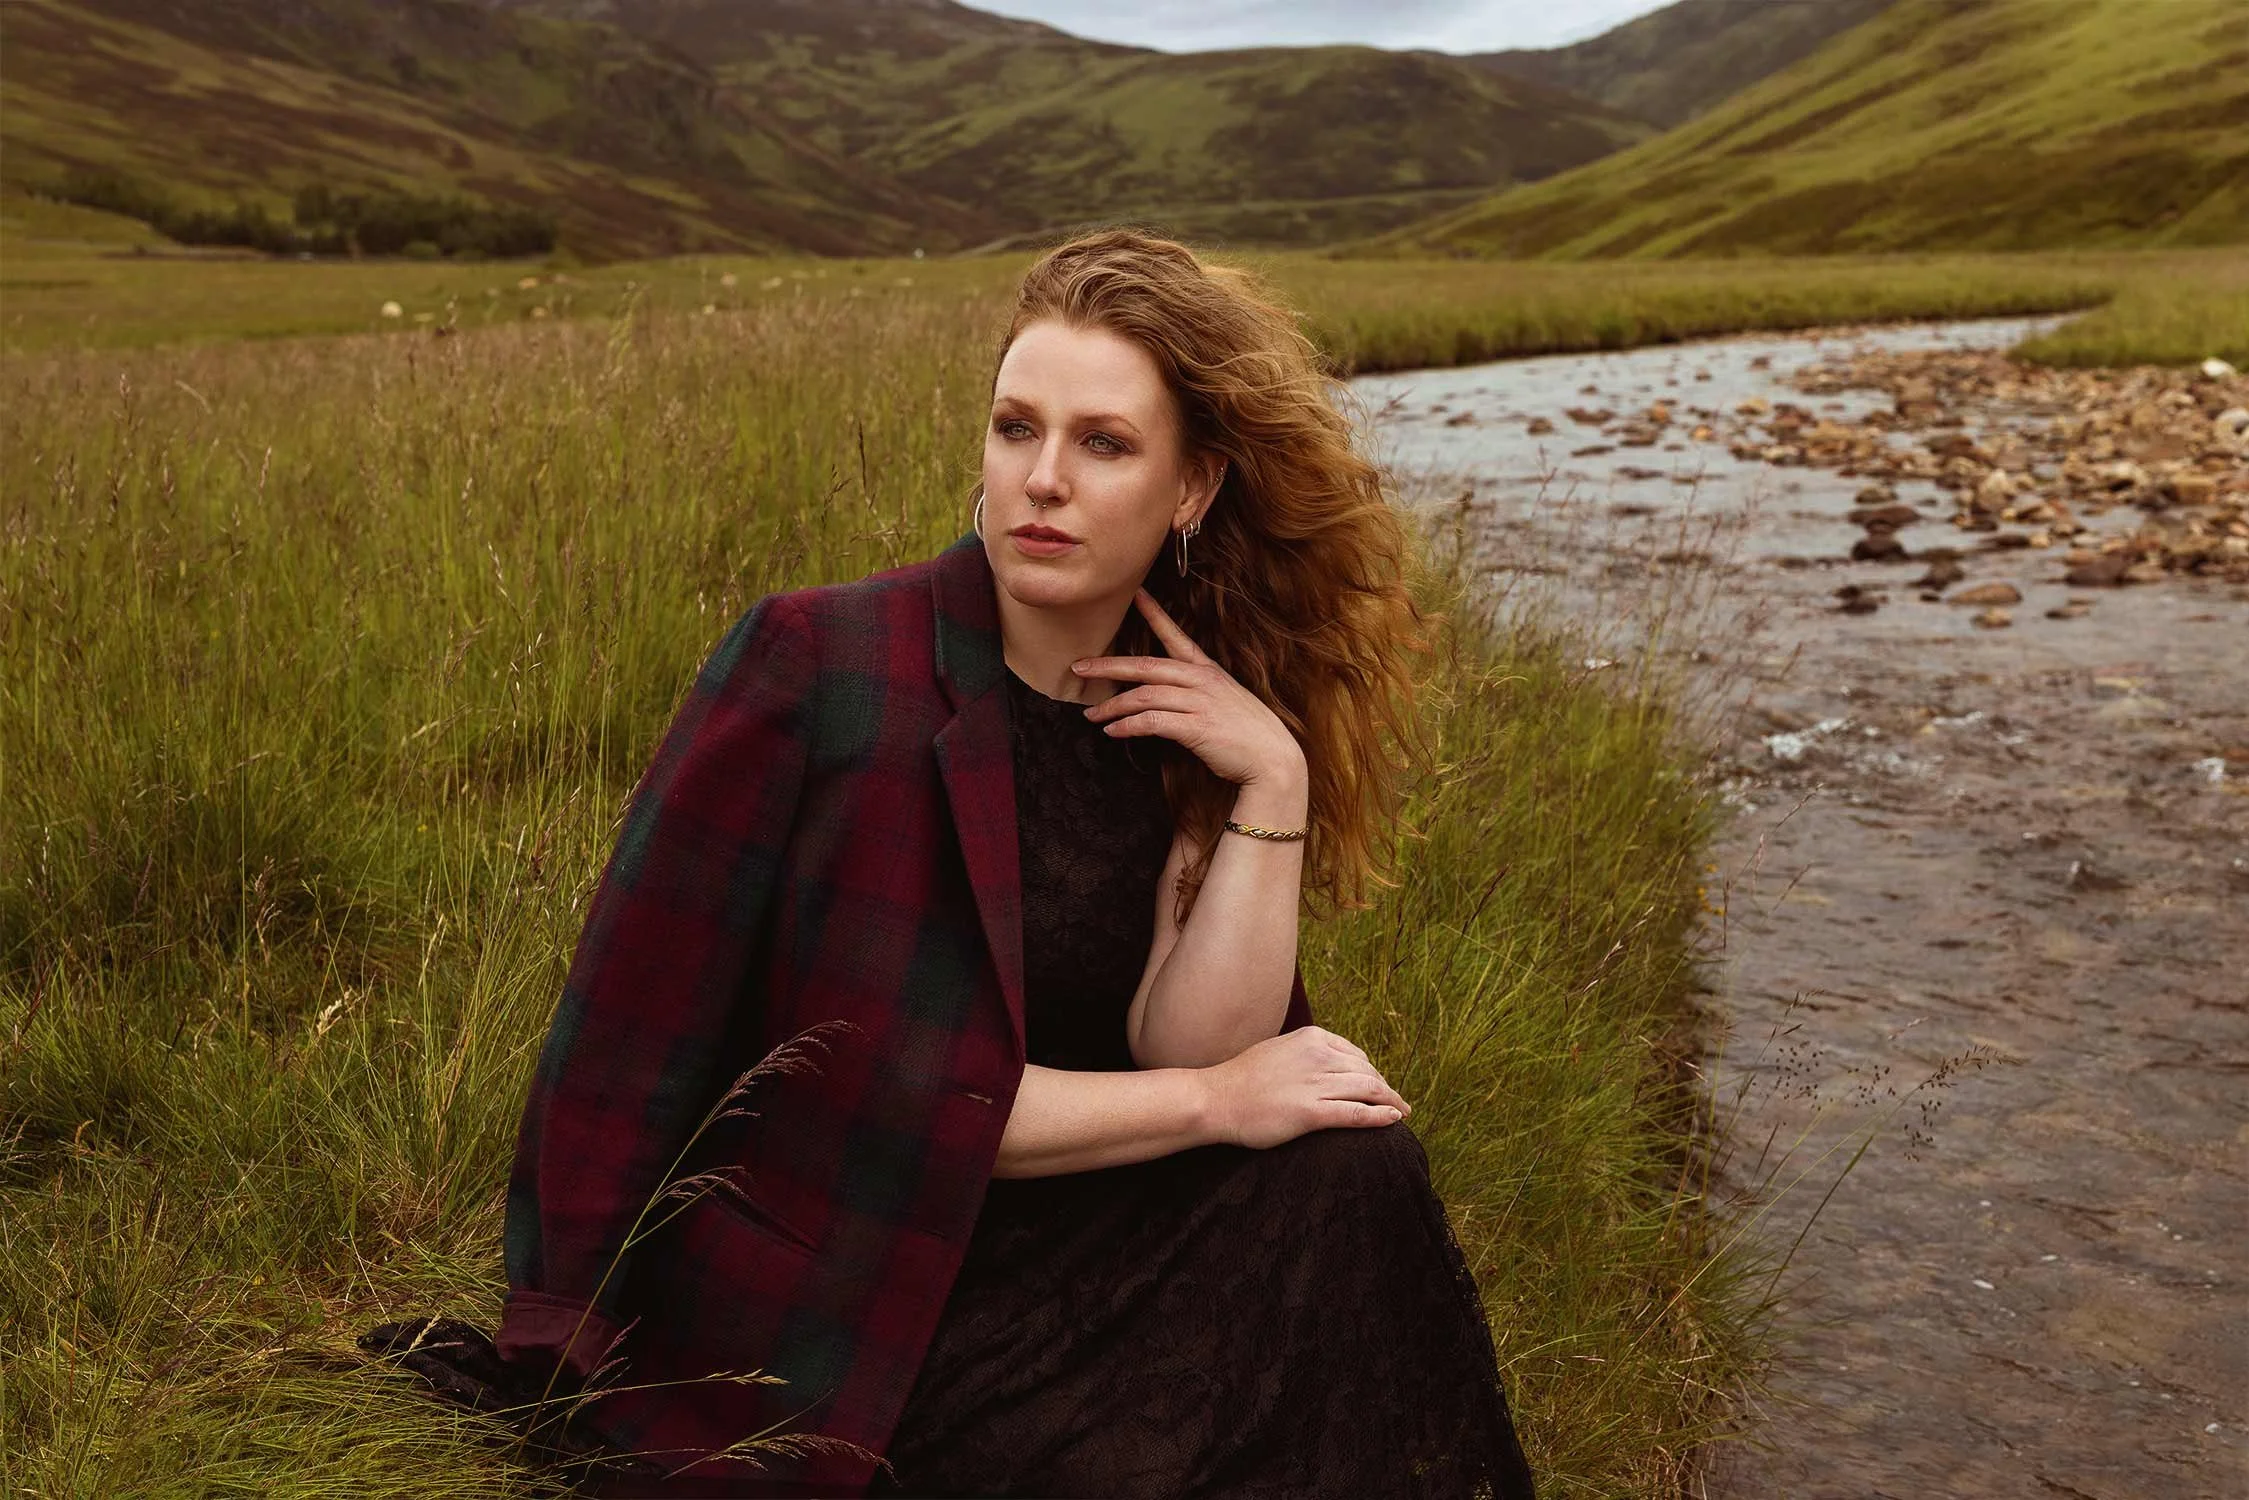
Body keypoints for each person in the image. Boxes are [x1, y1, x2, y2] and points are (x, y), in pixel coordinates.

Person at [363, 228, 1536, 1499]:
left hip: (1064, 1237)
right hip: (838, 1282)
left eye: (1102, 443)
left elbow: (1198, 1044)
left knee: (1351, 1173)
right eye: (1014, 428)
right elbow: (856, 1091)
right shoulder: (824, 666)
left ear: (1191, 490)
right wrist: (1212, 1106)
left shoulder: (1179, 720)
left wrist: (1271, 784)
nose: (1041, 479)